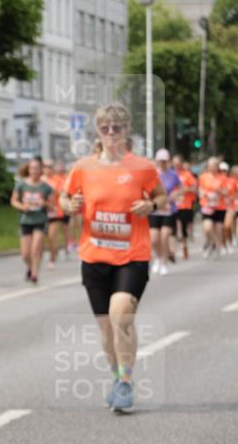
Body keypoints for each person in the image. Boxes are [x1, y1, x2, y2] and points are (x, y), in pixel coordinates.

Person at [60, 103, 166, 413]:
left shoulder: (142, 167)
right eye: (105, 128)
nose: (110, 134)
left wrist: (152, 207)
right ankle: (117, 376)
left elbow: (160, 196)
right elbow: (65, 197)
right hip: (94, 256)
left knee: (121, 313)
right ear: (98, 131)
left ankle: (126, 380)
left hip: (133, 254)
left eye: (116, 128)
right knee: (106, 326)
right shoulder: (83, 167)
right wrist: (70, 204)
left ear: (126, 131)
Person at [10, 157, 53, 284]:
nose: (33, 170)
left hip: (40, 220)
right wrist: (23, 207)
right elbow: (13, 201)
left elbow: (52, 206)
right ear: (28, 169)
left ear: (41, 170)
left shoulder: (46, 188)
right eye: (31, 168)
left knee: (36, 249)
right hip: (25, 220)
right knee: (25, 254)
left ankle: (35, 274)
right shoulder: (21, 185)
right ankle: (30, 268)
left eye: (36, 168)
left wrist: (44, 203)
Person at [149, 149, 182, 275]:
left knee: (164, 236)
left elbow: (181, 188)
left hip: (169, 210)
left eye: (164, 161)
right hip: (155, 210)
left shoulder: (173, 174)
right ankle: (157, 257)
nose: (162, 163)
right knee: (154, 239)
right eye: (160, 161)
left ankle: (164, 262)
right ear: (157, 161)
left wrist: (176, 194)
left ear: (168, 161)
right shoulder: (152, 174)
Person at [198, 157, 227, 257]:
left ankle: (218, 245)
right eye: (210, 165)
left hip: (219, 206)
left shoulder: (222, 177)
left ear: (217, 167)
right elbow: (200, 190)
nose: (212, 168)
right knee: (208, 228)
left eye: (214, 165)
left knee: (219, 228)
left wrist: (219, 192)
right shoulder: (203, 177)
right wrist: (204, 193)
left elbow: (226, 191)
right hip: (207, 206)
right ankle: (209, 243)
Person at [44, 160, 69, 268]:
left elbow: (62, 194)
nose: (47, 169)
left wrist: (54, 191)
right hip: (42, 212)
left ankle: (52, 258)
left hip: (55, 212)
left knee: (52, 236)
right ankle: (54, 251)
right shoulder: (40, 180)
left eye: (49, 167)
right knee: (47, 237)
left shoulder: (57, 180)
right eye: (45, 167)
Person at [172, 155, 197, 259]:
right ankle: (172, 250)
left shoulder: (187, 175)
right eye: (175, 163)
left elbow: (194, 188)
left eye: (178, 163)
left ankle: (184, 245)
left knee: (183, 228)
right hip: (173, 206)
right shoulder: (170, 174)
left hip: (185, 205)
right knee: (174, 228)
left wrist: (184, 190)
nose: (177, 165)